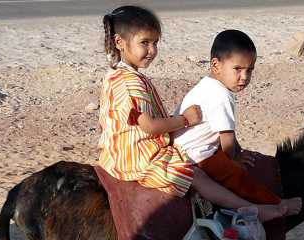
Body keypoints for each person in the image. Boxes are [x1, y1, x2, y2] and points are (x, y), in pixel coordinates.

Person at [99, 6, 289, 221]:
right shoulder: (131, 81)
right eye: (145, 42)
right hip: (137, 157)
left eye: (155, 43)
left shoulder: (115, 74)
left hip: (116, 150)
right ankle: (248, 209)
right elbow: (149, 126)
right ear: (119, 42)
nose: (152, 50)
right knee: (196, 176)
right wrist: (185, 120)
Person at [173, 29, 302, 215]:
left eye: (249, 70)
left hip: (183, 147)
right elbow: (227, 139)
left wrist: (237, 150)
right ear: (216, 65)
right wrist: (234, 160)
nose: (244, 77)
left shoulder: (206, 85)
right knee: (239, 177)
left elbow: (223, 131)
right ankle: (277, 205)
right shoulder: (221, 96)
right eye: (238, 69)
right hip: (196, 156)